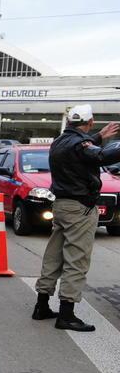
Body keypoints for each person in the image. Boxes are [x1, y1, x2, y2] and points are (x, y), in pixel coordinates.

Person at [32, 105, 120, 331]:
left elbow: (82, 148)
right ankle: (66, 315)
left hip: (61, 205)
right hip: (80, 207)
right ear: (90, 122)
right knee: (76, 261)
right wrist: (104, 141)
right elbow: (97, 155)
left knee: (53, 256)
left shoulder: (60, 141)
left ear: (69, 122)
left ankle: (41, 305)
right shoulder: (80, 145)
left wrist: (99, 136)